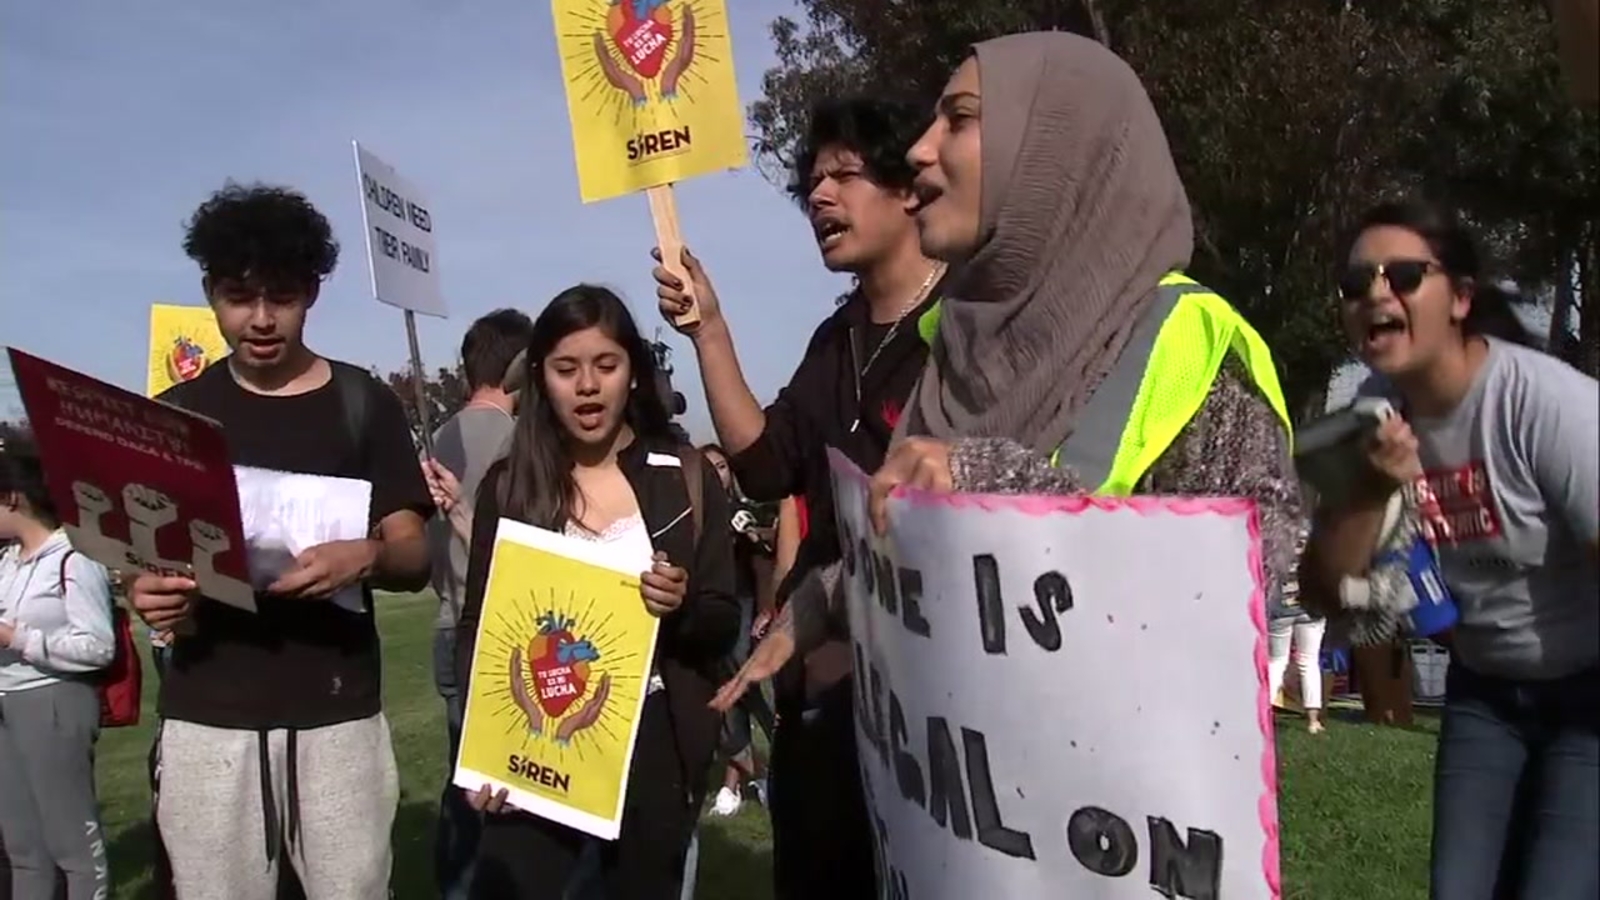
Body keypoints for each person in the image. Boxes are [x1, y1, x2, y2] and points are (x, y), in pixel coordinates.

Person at [718, 32, 1302, 802]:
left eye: (959, 119)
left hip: (1103, 817)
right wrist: (823, 601)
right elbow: (914, 548)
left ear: (1054, 150)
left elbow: (1245, 589)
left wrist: (982, 479)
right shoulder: (956, 346)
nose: (921, 150)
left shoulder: (1185, 343)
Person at [654, 93, 944, 899]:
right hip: (816, 693)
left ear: (908, 187)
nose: (819, 196)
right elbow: (765, 467)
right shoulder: (834, 341)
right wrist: (709, 331)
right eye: (812, 182)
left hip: (927, 700)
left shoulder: (964, 330)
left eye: (844, 176)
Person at [125, 182, 434, 900]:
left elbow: (414, 553)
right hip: (210, 714)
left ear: (311, 293)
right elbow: (153, 565)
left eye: (283, 297)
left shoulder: (363, 403)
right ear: (211, 293)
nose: (261, 319)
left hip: (337, 712)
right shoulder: (175, 415)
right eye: (240, 297)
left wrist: (368, 555)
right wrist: (154, 595)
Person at [1300, 199, 1598, 900]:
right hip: (1484, 697)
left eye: (1404, 276)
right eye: (1356, 283)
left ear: (1460, 298)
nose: (1376, 294)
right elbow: (1323, 591)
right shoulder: (1372, 415)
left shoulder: (1544, 405)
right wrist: (1369, 494)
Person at [455, 285, 738, 900]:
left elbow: (723, 618)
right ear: (540, 378)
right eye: (566, 369)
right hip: (537, 739)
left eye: (606, 365)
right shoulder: (509, 487)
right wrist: (483, 754)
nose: (587, 386)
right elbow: (480, 624)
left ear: (633, 374)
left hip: (654, 744)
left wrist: (680, 606)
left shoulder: (685, 477)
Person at [424, 308, 533, 900]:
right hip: (496, 628)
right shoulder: (520, 442)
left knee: (462, 776)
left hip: (447, 618)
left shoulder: (435, 439)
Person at [0, 442, 115, 900]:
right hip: (7, 701)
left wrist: (17, 638)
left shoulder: (74, 557)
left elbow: (99, 647)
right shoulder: (7, 562)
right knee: (24, 848)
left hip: (53, 701)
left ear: (12, 498)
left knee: (73, 845)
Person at [699, 443, 776, 818]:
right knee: (727, 691)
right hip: (707, 609)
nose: (717, 474)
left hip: (742, 603)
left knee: (745, 680)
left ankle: (767, 764)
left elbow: (764, 559)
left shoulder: (741, 514)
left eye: (721, 466)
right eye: (708, 467)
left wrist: (766, 607)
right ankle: (742, 778)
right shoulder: (694, 514)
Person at [1267, 527, 1327, 734]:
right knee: (1309, 662)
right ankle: (1313, 721)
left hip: (1281, 605)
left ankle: (1264, 714)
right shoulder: (1318, 535)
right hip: (1312, 606)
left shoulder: (1275, 534)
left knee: (1276, 662)